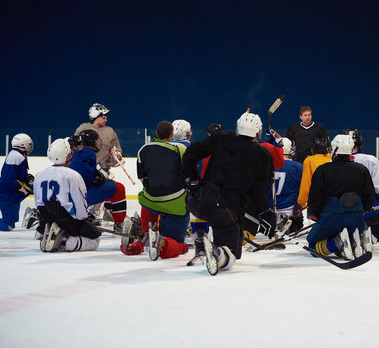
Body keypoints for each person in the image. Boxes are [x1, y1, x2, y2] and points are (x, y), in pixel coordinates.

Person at [181, 111, 275, 274]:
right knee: (230, 255)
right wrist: (266, 213)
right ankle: (218, 252)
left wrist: (192, 179)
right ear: (258, 132)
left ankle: (199, 237)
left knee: (210, 215)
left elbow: (191, 152)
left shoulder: (220, 138)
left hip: (199, 200)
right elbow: (260, 191)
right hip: (226, 210)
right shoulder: (263, 155)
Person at [120, 121, 189, 260]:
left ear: (156, 134)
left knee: (146, 198)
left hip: (150, 202)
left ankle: (144, 238)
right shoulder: (180, 149)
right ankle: (162, 242)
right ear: (171, 135)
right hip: (175, 204)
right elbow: (189, 174)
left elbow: (142, 178)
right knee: (178, 245)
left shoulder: (143, 149)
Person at [306, 134, 375, 259]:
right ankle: (357, 239)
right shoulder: (362, 169)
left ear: (334, 149)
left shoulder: (323, 170)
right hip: (356, 218)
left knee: (312, 245)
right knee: (349, 230)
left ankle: (337, 242)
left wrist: (315, 215)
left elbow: (315, 199)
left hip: (331, 219)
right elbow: (369, 198)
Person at [34, 138, 101, 252]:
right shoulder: (73, 175)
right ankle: (62, 241)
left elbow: (39, 203)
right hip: (67, 219)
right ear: (68, 155)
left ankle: (49, 234)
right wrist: (84, 220)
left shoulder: (39, 175)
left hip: (46, 218)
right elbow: (79, 203)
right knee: (95, 240)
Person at [68, 130, 128, 233]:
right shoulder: (88, 152)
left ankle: (89, 215)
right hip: (83, 194)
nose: (98, 143)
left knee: (109, 184)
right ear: (91, 142)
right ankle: (119, 223)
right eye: (96, 140)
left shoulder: (76, 153)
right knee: (119, 188)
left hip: (70, 195)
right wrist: (94, 177)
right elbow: (81, 167)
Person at [346, 129, 379, 244]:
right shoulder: (371, 160)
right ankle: (372, 232)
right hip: (369, 211)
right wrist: (378, 199)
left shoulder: (332, 162)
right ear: (359, 143)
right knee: (378, 233)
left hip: (342, 212)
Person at [0, 134, 34, 231]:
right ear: (22, 145)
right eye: (28, 144)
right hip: (6, 195)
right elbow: (8, 179)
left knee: (12, 221)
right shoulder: (16, 156)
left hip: (10, 194)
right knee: (8, 225)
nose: (30, 147)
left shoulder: (18, 155)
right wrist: (21, 188)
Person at [74, 103, 122, 171]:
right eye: (103, 118)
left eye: (106, 118)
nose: (106, 120)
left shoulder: (110, 131)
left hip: (103, 170)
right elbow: (73, 146)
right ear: (95, 116)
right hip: (84, 168)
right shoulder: (83, 128)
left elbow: (118, 148)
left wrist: (116, 156)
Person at [270, 137, 303, 233]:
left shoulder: (267, 165)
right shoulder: (298, 166)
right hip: (290, 212)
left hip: (269, 212)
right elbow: (303, 189)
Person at [296, 136, 331, 211]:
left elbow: (306, 183)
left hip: (316, 201)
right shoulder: (332, 159)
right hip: (333, 201)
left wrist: (301, 203)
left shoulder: (309, 160)